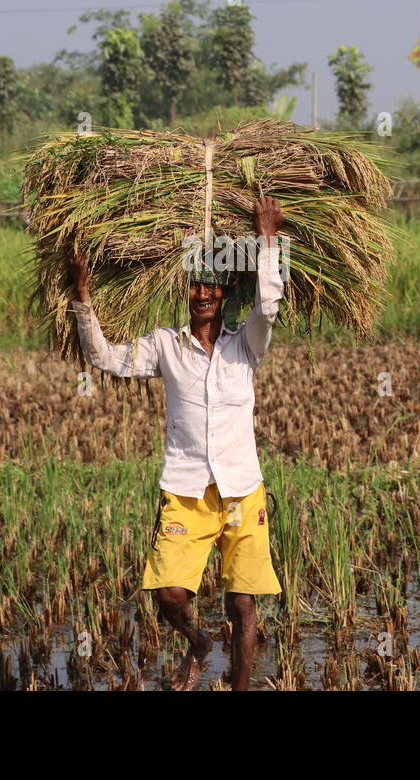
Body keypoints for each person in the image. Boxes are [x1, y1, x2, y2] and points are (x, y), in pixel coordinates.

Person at [68, 196, 286, 691]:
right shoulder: (165, 345)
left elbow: (269, 305)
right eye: (196, 285)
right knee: (168, 594)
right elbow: (104, 359)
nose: (203, 293)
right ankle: (200, 643)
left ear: (226, 295)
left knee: (242, 602)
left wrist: (267, 237)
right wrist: (82, 294)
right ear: (186, 294)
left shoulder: (247, 344)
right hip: (185, 491)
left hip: (241, 490)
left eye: (212, 285)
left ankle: (240, 687)